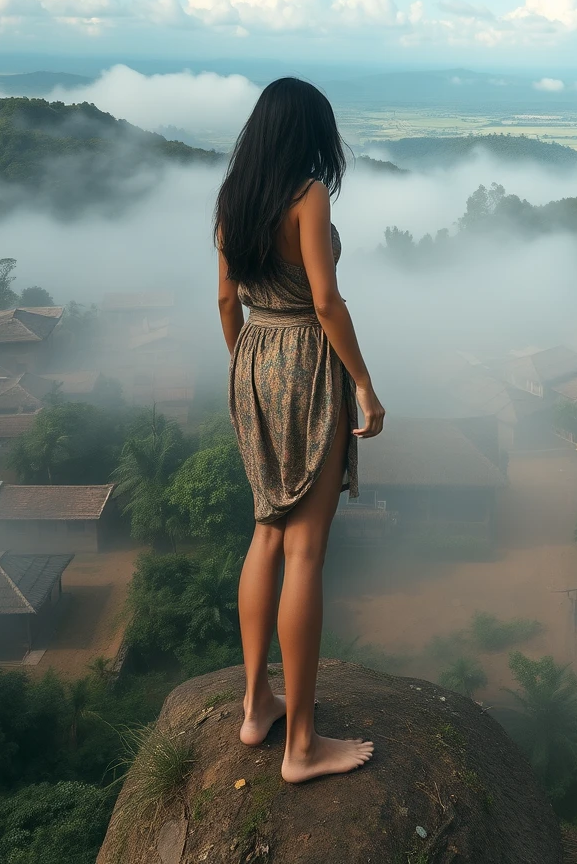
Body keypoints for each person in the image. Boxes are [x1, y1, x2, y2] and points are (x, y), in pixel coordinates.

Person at [215, 77, 384, 783]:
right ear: (310, 133)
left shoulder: (234, 200)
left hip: (253, 357)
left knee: (266, 532)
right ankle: (303, 745)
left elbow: (226, 298)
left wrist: (247, 370)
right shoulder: (306, 196)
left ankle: (257, 708)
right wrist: (365, 387)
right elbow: (326, 301)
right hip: (309, 362)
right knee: (306, 550)